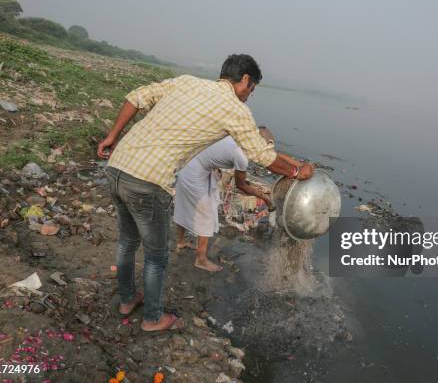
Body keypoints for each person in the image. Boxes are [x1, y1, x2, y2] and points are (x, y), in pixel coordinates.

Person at [97, 54, 314, 332]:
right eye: (252, 89)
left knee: (127, 243)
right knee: (156, 255)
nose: (249, 96)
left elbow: (136, 97)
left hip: (116, 167)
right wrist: (296, 173)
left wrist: (112, 136)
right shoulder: (235, 109)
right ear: (245, 80)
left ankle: (127, 299)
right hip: (146, 181)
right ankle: (152, 318)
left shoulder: (186, 82)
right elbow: (260, 153)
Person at [175, 127, 291, 272]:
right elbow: (241, 186)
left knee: (184, 206)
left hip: (188, 164)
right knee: (206, 215)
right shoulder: (241, 156)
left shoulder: (235, 138)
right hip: (195, 174)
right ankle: (201, 259)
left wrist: (296, 168)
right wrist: (265, 198)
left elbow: (273, 156)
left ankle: (180, 242)